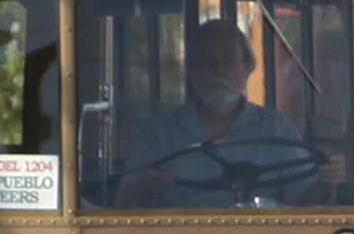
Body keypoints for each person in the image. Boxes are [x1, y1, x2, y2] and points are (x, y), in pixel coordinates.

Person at [117, 19, 341, 207]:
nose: (218, 69)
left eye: (229, 60)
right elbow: (122, 207)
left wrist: (326, 182)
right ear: (191, 70)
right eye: (207, 61)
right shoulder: (161, 132)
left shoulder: (277, 128)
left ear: (247, 67)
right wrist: (144, 186)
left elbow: (301, 205)